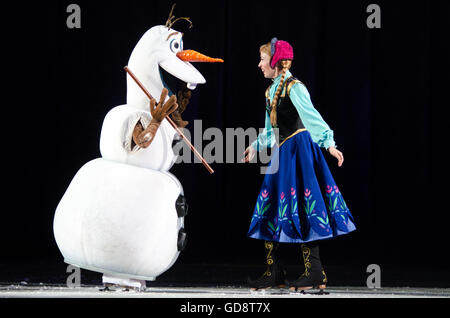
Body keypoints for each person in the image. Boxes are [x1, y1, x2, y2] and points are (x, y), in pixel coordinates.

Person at [243, 38, 356, 292]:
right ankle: (274, 272)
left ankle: (314, 271)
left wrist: (329, 144)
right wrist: (255, 146)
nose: (259, 65)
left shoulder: (294, 88)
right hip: (282, 153)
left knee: (304, 204)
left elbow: (312, 118)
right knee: (270, 206)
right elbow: (270, 129)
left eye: (263, 60)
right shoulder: (271, 91)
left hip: (299, 150)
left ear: (275, 62)